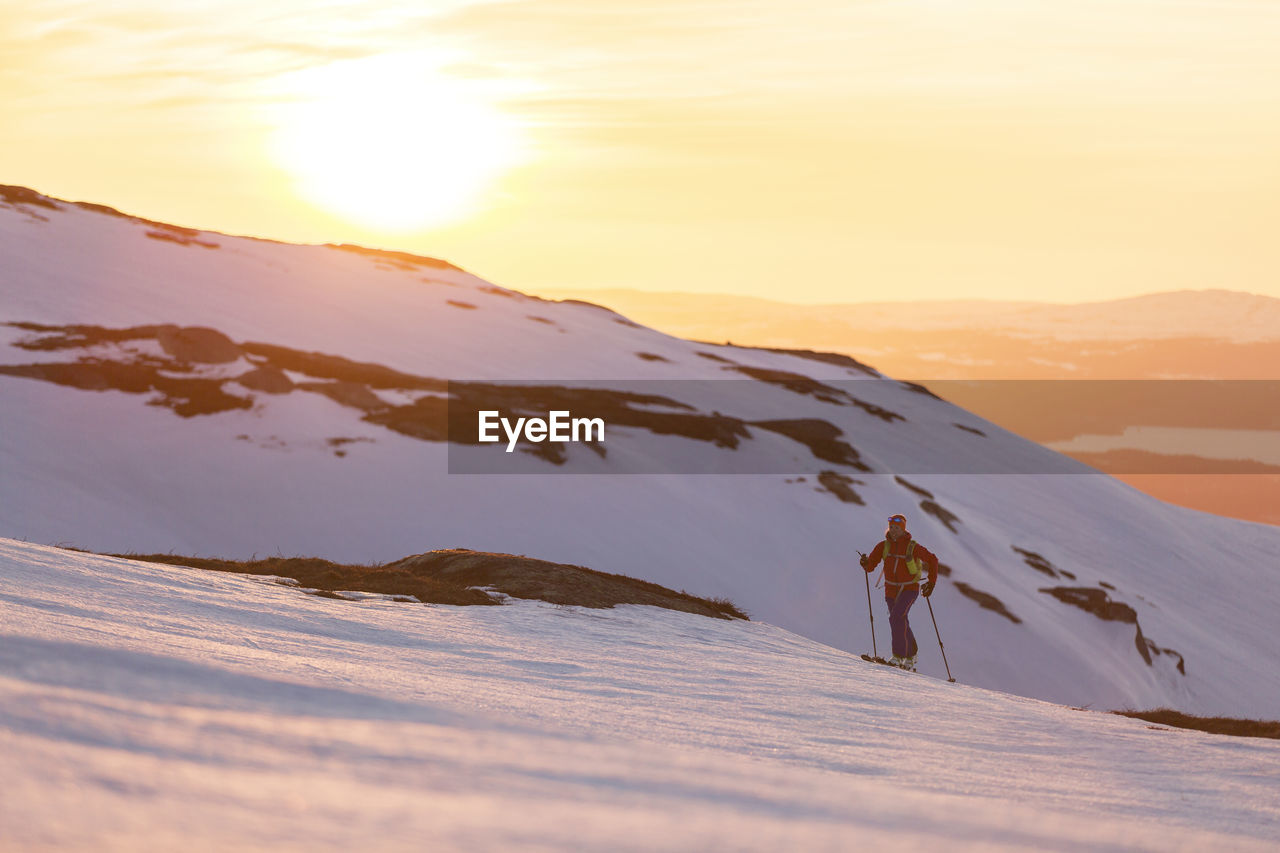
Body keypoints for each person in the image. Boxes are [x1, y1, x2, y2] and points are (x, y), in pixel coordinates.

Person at [860, 513, 939, 671]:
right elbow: (870, 567)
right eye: (892, 527)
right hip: (890, 590)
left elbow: (932, 559)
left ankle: (898, 657)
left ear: (904, 530)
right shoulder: (883, 546)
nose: (894, 530)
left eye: (897, 528)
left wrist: (931, 582)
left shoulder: (913, 547)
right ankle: (911, 655)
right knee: (900, 620)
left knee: (896, 617)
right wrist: (865, 563)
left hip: (909, 589)